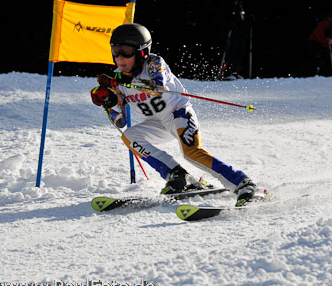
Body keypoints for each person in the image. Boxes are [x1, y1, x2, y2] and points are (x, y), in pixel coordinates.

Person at [90, 23, 260, 207]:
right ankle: (178, 176)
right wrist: (109, 101)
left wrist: (122, 80)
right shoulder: (117, 80)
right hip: (155, 124)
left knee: (191, 153)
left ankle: (243, 183)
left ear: (141, 52)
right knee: (129, 136)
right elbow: (120, 120)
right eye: (115, 51)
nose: (120, 58)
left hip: (179, 114)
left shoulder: (154, 63)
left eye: (126, 51)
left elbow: (158, 87)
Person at [307, 6, 332, 76]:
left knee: (331, 56)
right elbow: (318, 34)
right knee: (318, 59)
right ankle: (315, 74)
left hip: (327, 44)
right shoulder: (326, 22)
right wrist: (327, 41)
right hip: (316, 43)